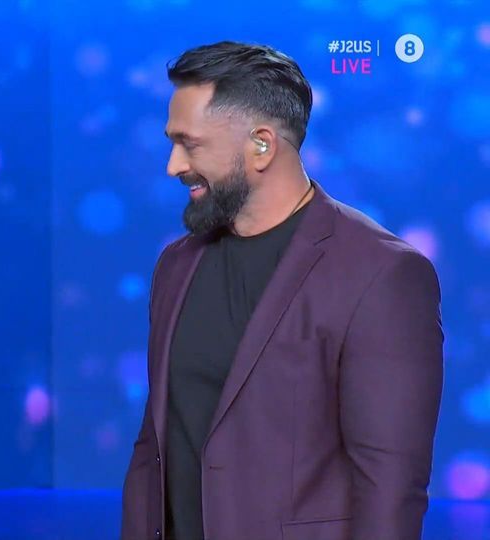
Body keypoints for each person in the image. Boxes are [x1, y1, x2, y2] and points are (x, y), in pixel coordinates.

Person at [121, 42, 443, 540]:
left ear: (262, 145)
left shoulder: (382, 274)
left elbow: (389, 488)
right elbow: (155, 447)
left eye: (190, 144)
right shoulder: (176, 265)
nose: (173, 165)